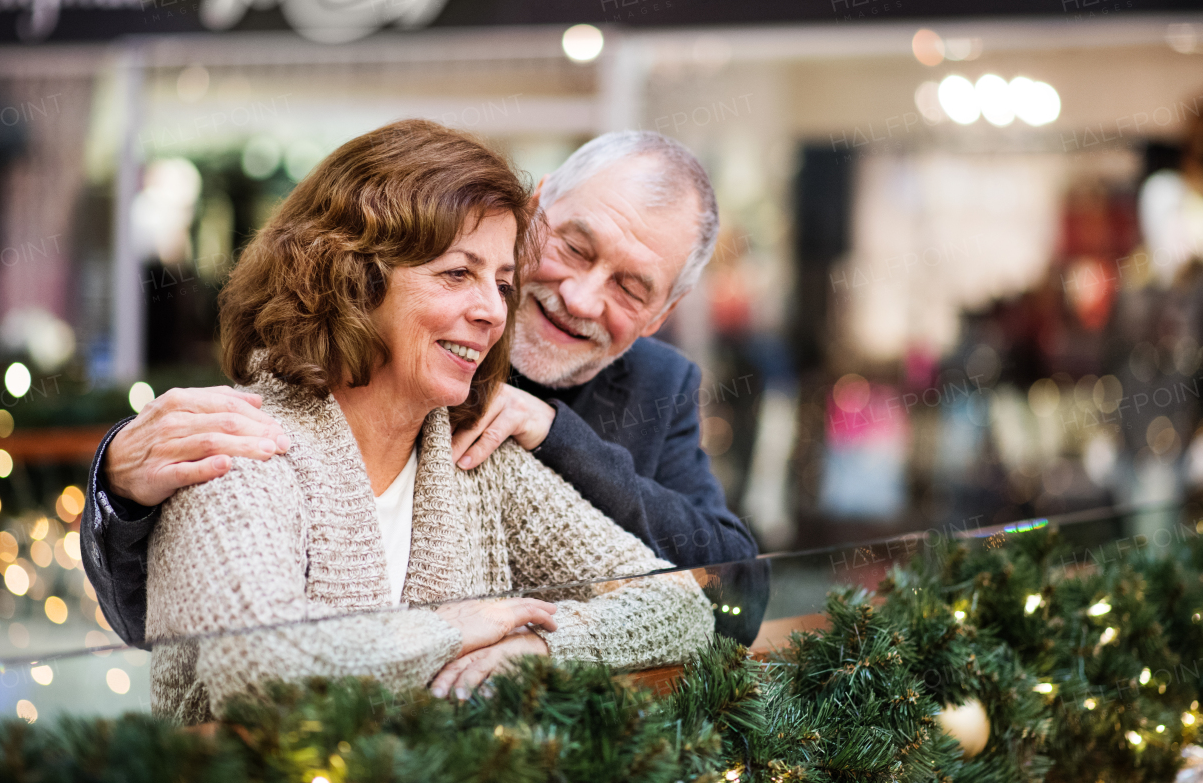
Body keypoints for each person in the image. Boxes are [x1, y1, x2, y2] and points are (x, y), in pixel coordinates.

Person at [82, 130, 768, 649]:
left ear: (660, 317)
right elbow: (178, 629)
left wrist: (560, 436)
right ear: (534, 210)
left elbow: (730, 596)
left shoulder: (657, 384)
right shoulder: (297, 417)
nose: (582, 298)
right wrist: (120, 487)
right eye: (577, 249)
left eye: (630, 286)